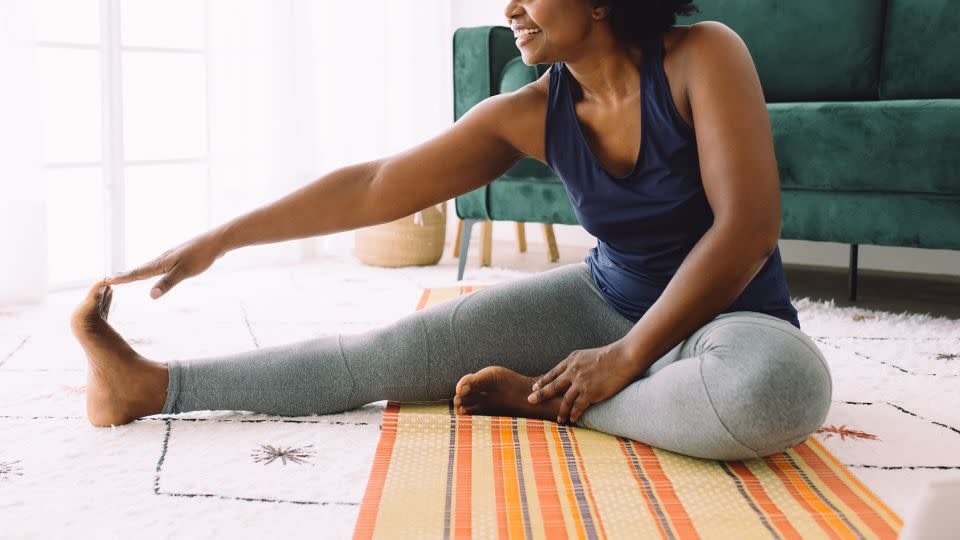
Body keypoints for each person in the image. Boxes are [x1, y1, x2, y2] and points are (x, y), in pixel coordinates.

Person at [70, 0, 832, 461]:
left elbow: (748, 230)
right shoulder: (529, 110)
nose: (510, 8)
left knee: (777, 392)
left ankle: (549, 399)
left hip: (730, 321)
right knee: (391, 354)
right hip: (604, 300)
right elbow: (375, 185)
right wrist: (223, 237)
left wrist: (624, 360)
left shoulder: (705, 55)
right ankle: (150, 387)